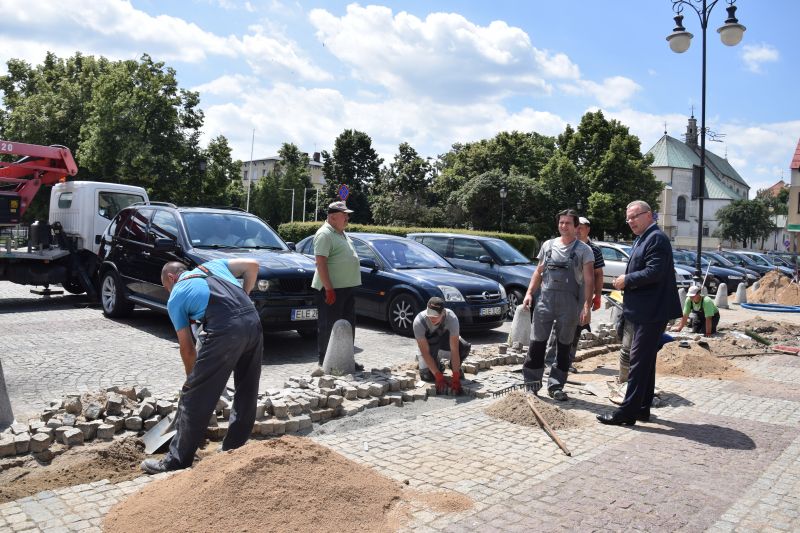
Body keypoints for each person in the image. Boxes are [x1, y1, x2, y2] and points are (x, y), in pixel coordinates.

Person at [141, 258, 263, 474]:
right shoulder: (214, 265)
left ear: (171, 278)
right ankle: (233, 449)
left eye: (167, 287)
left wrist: (192, 382)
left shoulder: (177, 296)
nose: (169, 292)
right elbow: (252, 265)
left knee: (195, 397)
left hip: (226, 330)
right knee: (247, 389)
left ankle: (176, 461)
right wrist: (245, 295)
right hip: (253, 322)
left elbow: (187, 349)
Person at [598, 200, 681, 426]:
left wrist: (627, 279)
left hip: (652, 311)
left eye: (634, 216)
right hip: (645, 310)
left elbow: (655, 271)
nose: (630, 221)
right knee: (645, 361)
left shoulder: (656, 238)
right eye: (628, 218)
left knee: (638, 361)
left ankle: (627, 413)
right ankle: (642, 408)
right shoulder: (644, 238)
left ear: (649, 215)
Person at [522, 209, 594, 401]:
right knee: (537, 344)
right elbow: (538, 272)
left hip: (570, 305)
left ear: (576, 227)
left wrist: (586, 306)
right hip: (545, 302)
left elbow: (589, 280)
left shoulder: (584, 250)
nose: (563, 226)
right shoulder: (548, 245)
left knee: (564, 347)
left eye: (568, 223)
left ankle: (556, 386)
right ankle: (531, 384)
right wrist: (529, 293)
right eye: (561, 222)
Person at [544, 216, 605, 373]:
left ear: (588, 230)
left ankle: (566, 361)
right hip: (564, 292)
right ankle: (550, 361)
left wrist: (597, 296)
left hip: (582, 295)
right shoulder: (566, 244)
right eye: (576, 227)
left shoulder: (594, 250)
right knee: (557, 326)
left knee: (576, 328)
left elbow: (598, 274)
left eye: (581, 228)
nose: (578, 230)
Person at [312, 201, 363, 371]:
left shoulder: (341, 233)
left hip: (346, 288)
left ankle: (346, 359)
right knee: (329, 326)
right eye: (344, 215)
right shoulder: (324, 234)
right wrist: (328, 288)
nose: (347, 218)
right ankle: (325, 362)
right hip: (332, 289)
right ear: (333, 217)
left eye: (347, 215)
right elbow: (320, 263)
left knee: (348, 325)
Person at [413, 297, 471, 394]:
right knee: (427, 376)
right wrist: (438, 376)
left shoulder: (451, 319)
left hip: (443, 343)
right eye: (430, 315)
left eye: (435, 316)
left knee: (464, 347)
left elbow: (454, 349)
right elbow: (425, 352)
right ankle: (437, 365)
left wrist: (455, 376)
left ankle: (453, 367)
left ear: (443, 313)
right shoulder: (419, 322)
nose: (432, 318)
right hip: (429, 347)